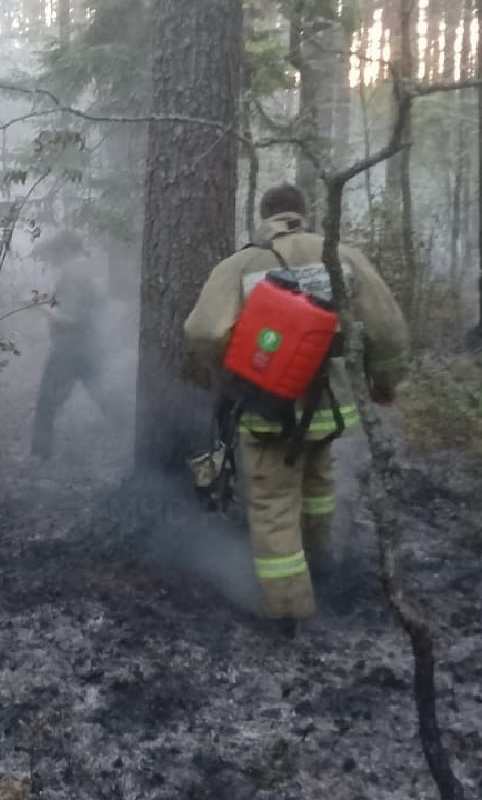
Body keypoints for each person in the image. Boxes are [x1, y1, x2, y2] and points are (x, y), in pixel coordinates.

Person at [182, 184, 410, 626]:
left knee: (272, 504)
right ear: (303, 214)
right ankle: (321, 569)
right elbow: (391, 328)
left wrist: (238, 361)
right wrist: (384, 381)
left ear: (264, 217)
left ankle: (291, 614)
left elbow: (203, 331)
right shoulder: (343, 256)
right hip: (330, 406)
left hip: (268, 409)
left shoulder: (243, 263)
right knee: (317, 485)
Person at [29, 230, 119, 460]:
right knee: (107, 399)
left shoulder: (73, 272)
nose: (51, 259)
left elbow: (70, 316)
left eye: (53, 253)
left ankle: (39, 456)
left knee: (46, 403)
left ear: (63, 251)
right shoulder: (88, 269)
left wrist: (38, 305)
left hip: (69, 350)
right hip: (90, 346)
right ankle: (137, 437)